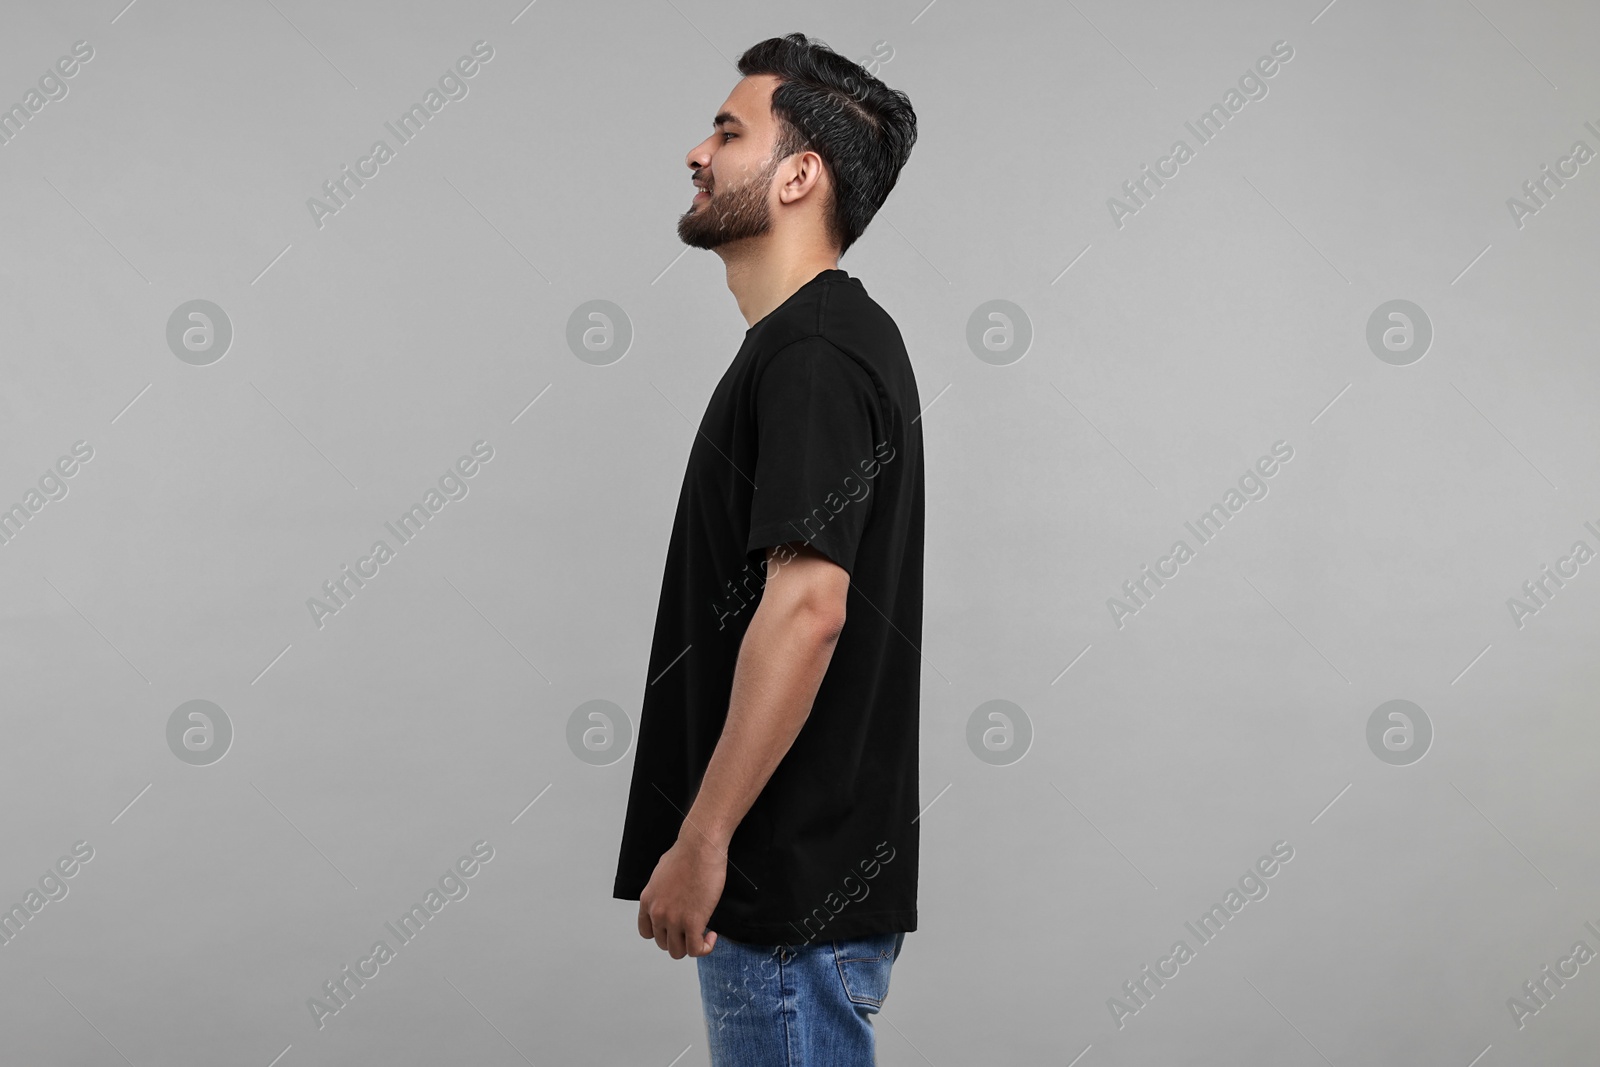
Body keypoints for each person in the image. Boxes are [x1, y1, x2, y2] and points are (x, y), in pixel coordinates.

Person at [611, 31, 924, 1067]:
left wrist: (702, 842)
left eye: (728, 131)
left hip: (784, 898)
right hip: (796, 901)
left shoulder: (816, 355)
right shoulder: (810, 347)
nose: (696, 152)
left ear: (799, 174)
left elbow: (808, 608)